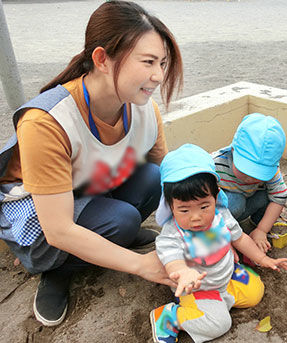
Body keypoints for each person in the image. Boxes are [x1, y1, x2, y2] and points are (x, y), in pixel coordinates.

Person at [0, 0, 183, 326]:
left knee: (153, 177)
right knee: (124, 221)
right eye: (148, 62)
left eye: (163, 63)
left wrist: (207, 215)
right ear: (102, 59)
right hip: (41, 217)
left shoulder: (143, 108)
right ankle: (57, 270)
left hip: (87, 188)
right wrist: (142, 265)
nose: (158, 76)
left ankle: (109, 235)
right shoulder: (46, 123)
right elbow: (57, 229)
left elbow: (168, 172)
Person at [150, 144, 287, 343]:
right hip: (199, 289)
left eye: (204, 206)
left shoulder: (221, 215)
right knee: (220, 325)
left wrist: (262, 258)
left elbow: (239, 238)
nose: (196, 217)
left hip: (226, 275)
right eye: (184, 210)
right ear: (170, 205)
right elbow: (171, 259)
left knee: (256, 292)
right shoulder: (173, 233)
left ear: (216, 196)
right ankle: (170, 317)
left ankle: (221, 301)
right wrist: (183, 272)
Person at [211, 113, 287, 254]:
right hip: (224, 211)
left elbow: (280, 196)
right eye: (246, 170)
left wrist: (262, 230)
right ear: (233, 150)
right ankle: (225, 231)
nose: (250, 179)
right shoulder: (215, 164)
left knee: (269, 195)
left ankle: (257, 223)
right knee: (236, 201)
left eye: (259, 174)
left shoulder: (272, 169)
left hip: (250, 201)